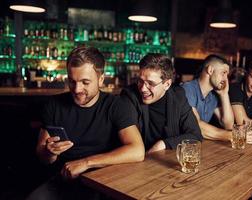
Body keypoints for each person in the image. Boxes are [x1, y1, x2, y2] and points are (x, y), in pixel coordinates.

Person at [26, 47, 145, 200]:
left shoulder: (117, 105)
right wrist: (49, 152)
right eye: (72, 81)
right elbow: (43, 157)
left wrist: (86, 163)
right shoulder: (53, 105)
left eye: (85, 82)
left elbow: (137, 150)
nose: (77, 89)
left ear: (101, 79)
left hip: (104, 180)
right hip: (64, 179)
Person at [118, 53, 202, 153]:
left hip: (165, 160)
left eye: (150, 83)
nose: (143, 88)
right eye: (140, 81)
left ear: (167, 84)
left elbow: (195, 136)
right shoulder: (129, 96)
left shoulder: (178, 96)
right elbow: (132, 146)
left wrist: (163, 144)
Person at [181, 54, 237, 142]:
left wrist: (224, 94)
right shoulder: (187, 89)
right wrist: (233, 135)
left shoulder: (212, 95)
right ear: (210, 70)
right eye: (223, 73)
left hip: (198, 145)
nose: (226, 79)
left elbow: (228, 125)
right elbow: (195, 126)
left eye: (227, 75)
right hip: (180, 148)